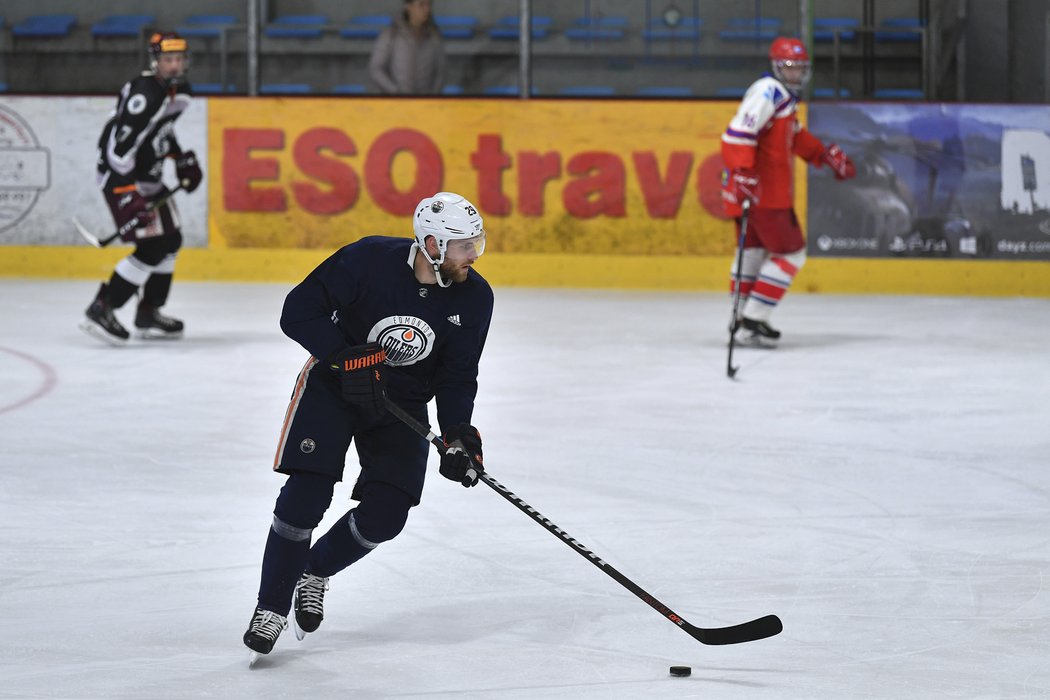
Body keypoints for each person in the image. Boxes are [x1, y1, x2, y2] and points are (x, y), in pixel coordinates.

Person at [242, 191, 493, 660]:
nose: (473, 256)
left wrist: (459, 432)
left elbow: (458, 374)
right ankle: (271, 604)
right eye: (464, 246)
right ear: (433, 244)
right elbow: (297, 311)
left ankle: (313, 570)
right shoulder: (367, 260)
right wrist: (343, 356)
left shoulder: (475, 297)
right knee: (306, 494)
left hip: (401, 404)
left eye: (477, 244)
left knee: (387, 513)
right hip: (334, 386)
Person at [721, 37, 856, 346]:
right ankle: (755, 317)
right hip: (765, 194)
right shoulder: (769, 91)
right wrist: (743, 173)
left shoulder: (782, 98)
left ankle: (740, 318)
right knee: (791, 254)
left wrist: (822, 155)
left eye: (799, 68)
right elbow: (737, 134)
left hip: (752, 192)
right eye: (789, 67)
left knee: (752, 253)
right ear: (776, 66)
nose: (795, 74)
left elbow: (792, 137)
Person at [80, 31, 202, 345]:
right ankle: (103, 306)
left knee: (171, 239)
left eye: (178, 59)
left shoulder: (180, 91)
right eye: (168, 60)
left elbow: (161, 130)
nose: (174, 66)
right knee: (153, 246)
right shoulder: (146, 92)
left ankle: (148, 311)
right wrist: (127, 193)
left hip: (148, 175)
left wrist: (179, 158)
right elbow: (118, 148)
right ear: (156, 61)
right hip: (122, 178)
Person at [368, 0, 446, 95]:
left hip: (426, 105)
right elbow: (376, 69)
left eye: (429, 4)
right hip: (397, 105)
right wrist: (396, 92)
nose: (427, 9)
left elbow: (441, 73)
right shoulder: (391, 35)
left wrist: (432, 96)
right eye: (421, 5)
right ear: (408, 7)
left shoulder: (434, 37)